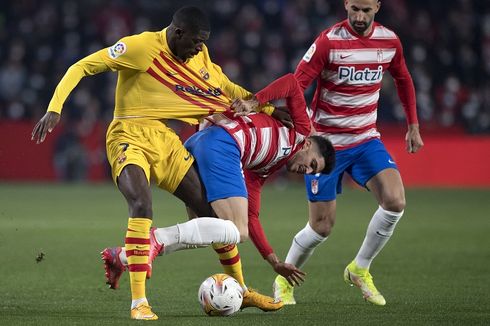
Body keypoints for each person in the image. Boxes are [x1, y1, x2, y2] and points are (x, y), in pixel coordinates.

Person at [31, 6, 280, 320]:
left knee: (214, 218)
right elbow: (82, 66)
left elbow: (229, 90)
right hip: (127, 135)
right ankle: (139, 303)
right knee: (142, 205)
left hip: (164, 139)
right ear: (177, 33)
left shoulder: (199, 58)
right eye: (195, 42)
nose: (200, 48)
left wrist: (269, 109)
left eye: (203, 42)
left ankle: (240, 291)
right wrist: (55, 107)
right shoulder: (139, 47)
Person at [103, 73, 336, 291]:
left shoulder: (264, 166)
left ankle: (123, 256)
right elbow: (291, 83)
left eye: (312, 172)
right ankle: (156, 238)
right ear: (308, 146)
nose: (307, 171)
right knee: (235, 231)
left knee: (210, 229)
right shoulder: (301, 130)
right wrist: (255, 102)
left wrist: (274, 262)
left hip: (200, 142)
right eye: (312, 165)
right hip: (223, 144)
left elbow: (252, 217)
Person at [272, 0, 424, 306]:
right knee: (321, 227)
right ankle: (283, 279)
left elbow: (404, 79)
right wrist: (305, 130)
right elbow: (297, 83)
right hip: (327, 145)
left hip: (366, 139)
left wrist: (413, 125)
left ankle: (360, 268)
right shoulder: (328, 42)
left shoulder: (389, 40)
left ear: (377, 7)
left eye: (366, 10)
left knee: (395, 201)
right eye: (354, 8)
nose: (358, 16)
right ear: (346, 5)